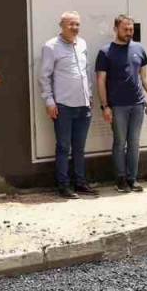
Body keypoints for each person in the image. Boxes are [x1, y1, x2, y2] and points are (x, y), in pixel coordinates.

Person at [96, 14, 147, 193]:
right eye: (125, 29)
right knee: (119, 143)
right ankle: (120, 179)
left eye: (131, 29)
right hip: (117, 106)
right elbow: (101, 80)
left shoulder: (139, 49)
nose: (129, 32)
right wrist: (105, 106)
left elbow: (145, 76)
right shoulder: (105, 52)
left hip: (138, 104)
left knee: (134, 143)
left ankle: (132, 179)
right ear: (116, 29)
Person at [39, 11, 95, 198]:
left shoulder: (83, 44)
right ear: (62, 25)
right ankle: (63, 185)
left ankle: (80, 183)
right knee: (64, 146)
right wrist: (49, 101)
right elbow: (44, 77)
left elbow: (86, 71)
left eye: (77, 24)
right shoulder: (51, 47)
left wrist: (90, 96)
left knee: (79, 147)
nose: (75, 28)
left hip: (83, 105)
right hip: (63, 105)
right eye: (71, 24)